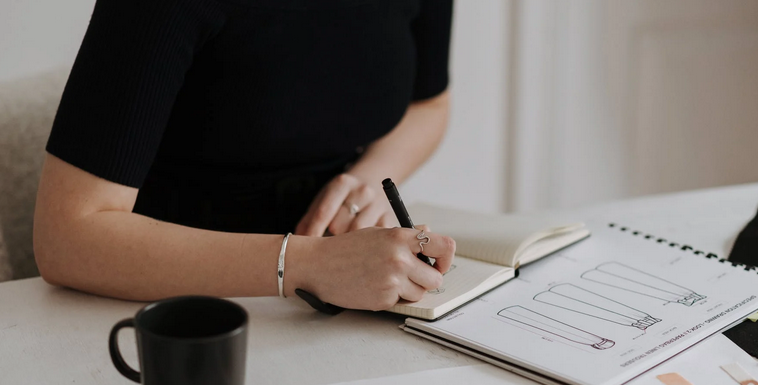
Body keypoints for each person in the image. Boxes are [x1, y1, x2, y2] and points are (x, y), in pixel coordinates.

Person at [33, 0, 456, 311]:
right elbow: (66, 238)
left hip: (342, 285)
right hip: (170, 307)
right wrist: (309, 265)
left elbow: (428, 104)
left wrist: (370, 179)